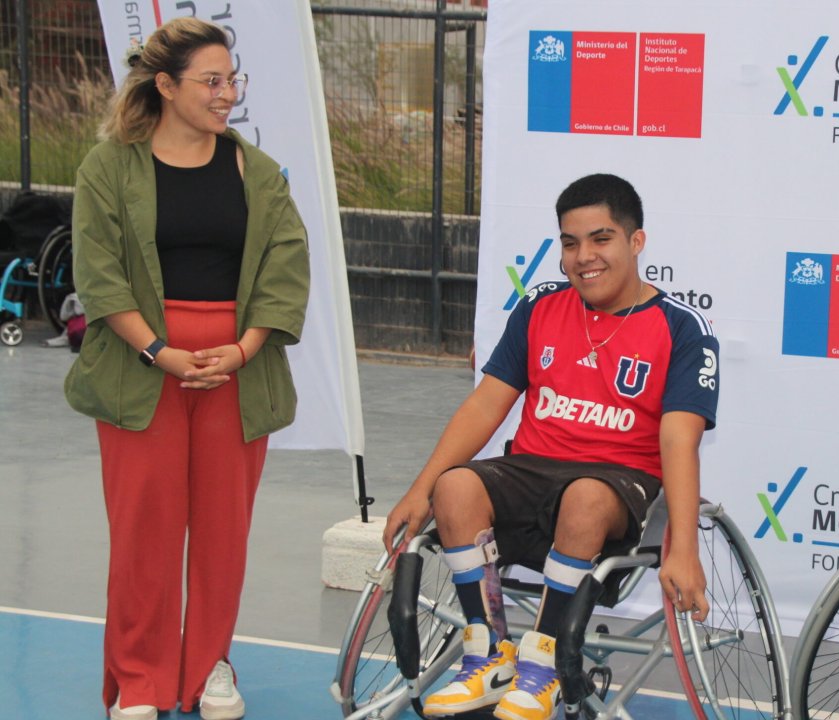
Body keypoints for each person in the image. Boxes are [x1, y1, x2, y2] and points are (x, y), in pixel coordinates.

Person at [382, 173, 720, 720]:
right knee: (455, 485)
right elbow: (485, 405)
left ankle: (542, 667)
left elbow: (680, 440)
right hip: (533, 469)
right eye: (570, 242)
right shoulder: (540, 305)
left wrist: (683, 547)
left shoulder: (682, 327)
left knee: (584, 496)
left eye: (601, 239)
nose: (583, 257)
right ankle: (488, 655)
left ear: (636, 241)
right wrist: (420, 491)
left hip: (615, 482)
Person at [64, 17, 309, 720]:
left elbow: (286, 267)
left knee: (223, 532)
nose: (228, 93)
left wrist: (244, 349)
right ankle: (139, 679)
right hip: (141, 369)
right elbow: (100, 274)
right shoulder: (107, 168)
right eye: (212, 80)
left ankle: (208, 671)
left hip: (238, 373)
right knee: (143, 531)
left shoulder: (257, 172)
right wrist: (158, 352)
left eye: (233, 79)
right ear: (166, 86)